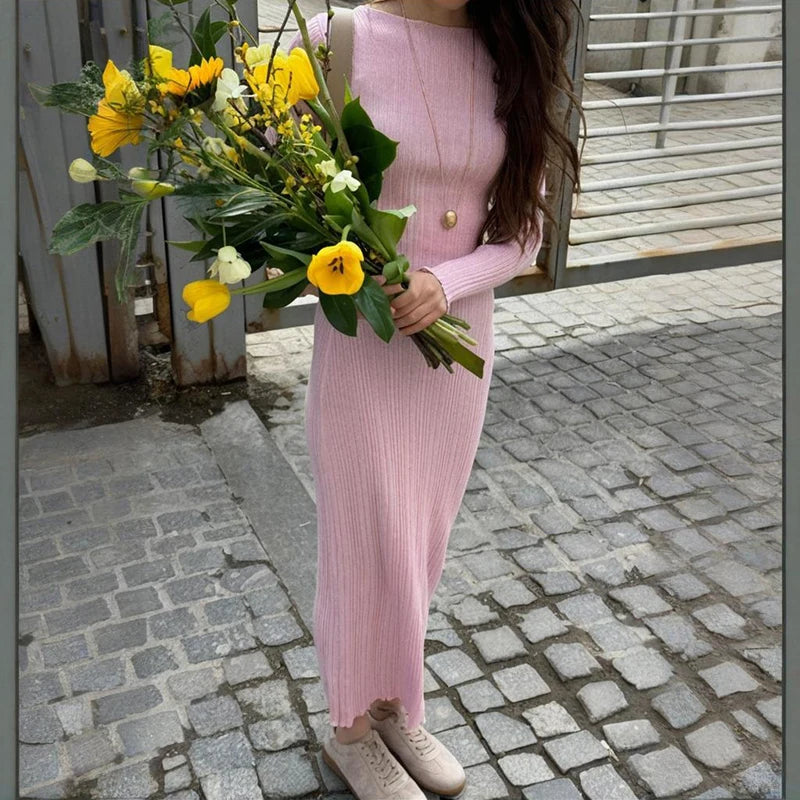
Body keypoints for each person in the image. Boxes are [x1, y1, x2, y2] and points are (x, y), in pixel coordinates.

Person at [288, 1, 582, 797]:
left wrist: (442, 284)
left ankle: (394, 704)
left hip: (455, 358)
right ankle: (350, 731)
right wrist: (360, 259)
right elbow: (287, 194)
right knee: (362, 540)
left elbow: (521, 235)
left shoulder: (507, 53)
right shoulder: (336, 40)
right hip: (360, 345)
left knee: (419, 543)